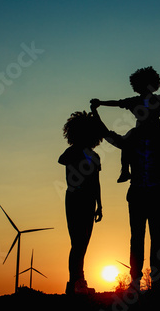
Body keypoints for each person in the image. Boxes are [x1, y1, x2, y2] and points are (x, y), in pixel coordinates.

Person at [91, 93, 160, 293]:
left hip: (148, 192)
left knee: (150, 236)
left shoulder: (145, 140)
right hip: (144, 192)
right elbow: (109, 133)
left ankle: (150, 281)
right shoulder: (142, 140)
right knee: (145, 236)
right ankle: (140, 281)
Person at [92, 66, 160, 183]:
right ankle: (128, 171)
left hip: (148, 129)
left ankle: (132, 171)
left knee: (130, 144)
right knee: (150, 143)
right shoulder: (151, 100)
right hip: (148, 129)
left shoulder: (146, 100)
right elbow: (117, 103)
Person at [58, 110, 104, 295]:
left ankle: (77, 281)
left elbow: (96, 182)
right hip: (75, 199)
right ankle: (75, 282)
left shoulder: (94, 157)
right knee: (77, 243)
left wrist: (99, 205)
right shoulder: (72, 153)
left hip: (89, 201)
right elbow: (63, 161)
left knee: (83, 243)